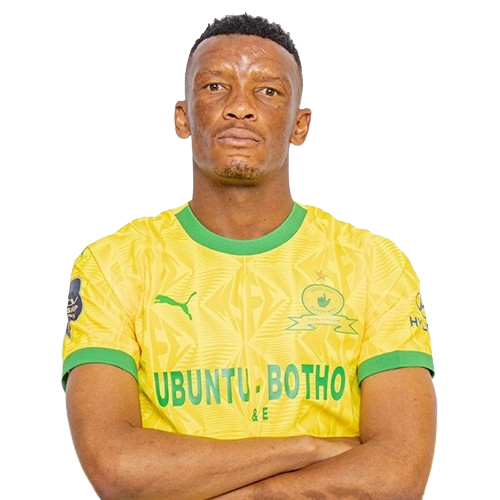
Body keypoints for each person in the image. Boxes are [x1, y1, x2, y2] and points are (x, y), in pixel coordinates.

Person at [61, 12, 438, 499]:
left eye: (269, 91)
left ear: (300, 125)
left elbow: (397, 476)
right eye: (216, 87)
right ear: (182, 118)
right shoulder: (112, 265)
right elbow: (116, 468)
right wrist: (307, 449)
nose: (240, 107)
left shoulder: (375, 265)